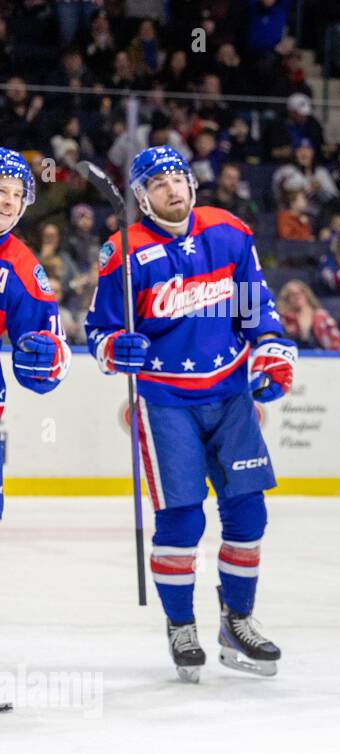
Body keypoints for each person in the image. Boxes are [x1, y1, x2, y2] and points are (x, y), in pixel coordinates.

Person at [84, 146, 296, 683]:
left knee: (248, 513)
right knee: (181, 519)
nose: (172, 189)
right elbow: (99, 331)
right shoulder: (122, 254)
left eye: (178, 178)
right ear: (141, 197)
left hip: (230, 394)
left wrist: (270, 347)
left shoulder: (229, 232)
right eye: (158, 183)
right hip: (164, 400)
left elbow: (256, 309)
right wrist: (115, 348)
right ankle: (182, 626)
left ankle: (237, 622)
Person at [0, 148, 69, 521]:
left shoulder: (21, 265)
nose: (10, 203)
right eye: (1, 191)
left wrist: (45, 359)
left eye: (17, 195)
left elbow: (45, 345)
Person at [277, 279, 340, 351]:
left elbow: (337, 344)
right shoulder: (282, 319)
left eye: (300, 292)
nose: (297, 296)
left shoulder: (322, 317)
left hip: (322, 357)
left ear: (307, 295)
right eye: (292, 294)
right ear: (286, 299)